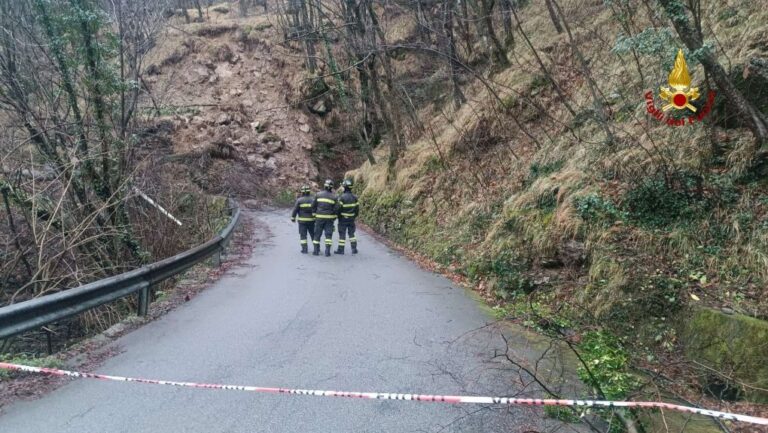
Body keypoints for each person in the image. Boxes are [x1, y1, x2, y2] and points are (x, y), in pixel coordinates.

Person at [311, 179, 339, 256]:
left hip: (319, 218)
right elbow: (337, 208)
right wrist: (334, 216)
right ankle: (327, 252)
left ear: (324, 186)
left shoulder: (318, 194)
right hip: (329, 219)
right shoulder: (334, 197)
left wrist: (314, 214)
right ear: (332, 187)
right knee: (328, 235)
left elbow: (313, 205)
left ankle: (316, 251)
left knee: (317, 234)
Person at [335, 179, 359, 255]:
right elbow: (357, 210)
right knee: (352, 234)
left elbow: (338, 209)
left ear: (345, 187)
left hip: (343, 219)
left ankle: (341, 250)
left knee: (342, 234)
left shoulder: (342, 197)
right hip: (351, 219)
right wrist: (354, 216)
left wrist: (338, 216)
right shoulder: (355, 197)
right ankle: (354, 249)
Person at [291, 185, 315, 253]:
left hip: (302, 222)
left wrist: (293, 218)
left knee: (303, 235)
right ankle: (316, 249)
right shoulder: (313, 200)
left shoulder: (299, 200)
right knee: (313, 235)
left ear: (302, 192)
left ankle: (304, 249)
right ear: (309, 192)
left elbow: (295, 210)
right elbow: (316, 209)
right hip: (311, 221)